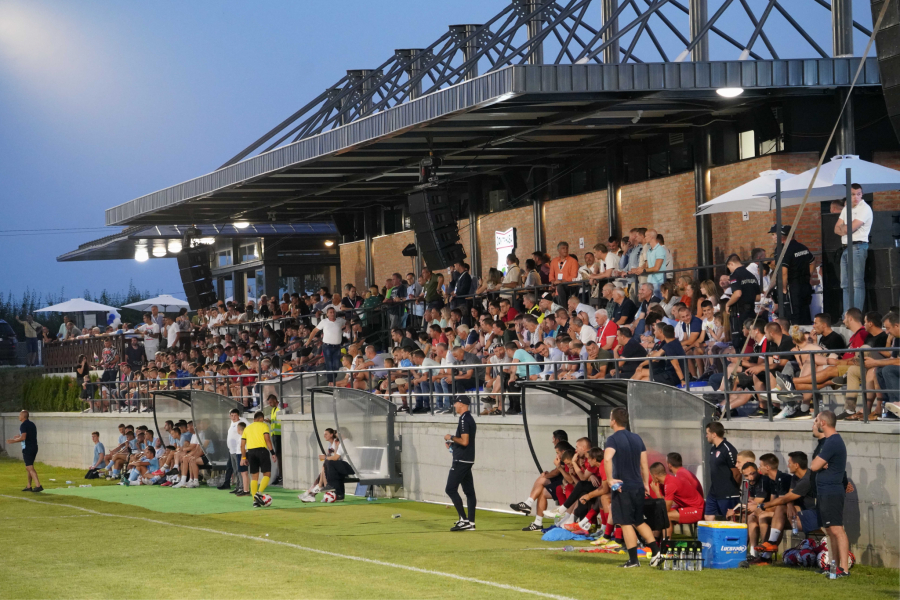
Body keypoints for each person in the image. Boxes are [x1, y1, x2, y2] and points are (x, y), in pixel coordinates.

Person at [604, 407, 661, 568]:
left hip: (623, 487)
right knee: (638, 521)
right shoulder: (637, 438)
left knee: (625, 522)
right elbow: (644, 465)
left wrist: (610, 480)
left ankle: (633, 560)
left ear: (613, 421)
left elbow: (607, 459)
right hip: (637, 486)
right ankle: (656, 552)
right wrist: (645, 484)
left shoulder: (613, 439)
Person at [810, 410, 850, 577]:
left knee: (837, 529)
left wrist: (821, 462)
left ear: (823, 423)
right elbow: (817, 464)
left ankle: (844, 568)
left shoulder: (833, 442)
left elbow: (813, 466)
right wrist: (821, 462)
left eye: (817, 420)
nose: (816, 422)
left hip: (832, 491)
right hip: (825, 490)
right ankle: (833, 565)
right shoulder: (828, 442)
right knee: (830, 529)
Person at [509, 430, 570, 530]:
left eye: (553, 439)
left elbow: (558, 471)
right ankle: (536, 520)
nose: (552, 441)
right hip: (562, 480)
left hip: (567, 483)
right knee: (542, 487)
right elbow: (558, 470)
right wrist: (548, 474)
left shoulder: (566, 452)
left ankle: (529, 505)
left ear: (558, 440)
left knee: (542, 481)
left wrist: (546, 475)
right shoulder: (565, 450)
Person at [835, 183, 872, 312]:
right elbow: (836, 228)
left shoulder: (864, 208)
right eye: (853, 194)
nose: (856, 197)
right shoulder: (846, 209)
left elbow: (850, 228)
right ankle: (847, 315)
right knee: (845, 284)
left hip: (858, 246)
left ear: (862, 194)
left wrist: (844, 228)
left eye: (858, 194)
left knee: (856, 283)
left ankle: (856, 315)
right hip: (845, 247)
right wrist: (845, 228)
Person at [770, 225, 814, 325]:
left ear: (782, 236)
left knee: (794, 317)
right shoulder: (802, 247)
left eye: (774, 235)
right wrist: (808, 275)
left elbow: (783, 271)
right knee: (805, 313)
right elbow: (812, 262)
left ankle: (796, 338)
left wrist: (784, 288)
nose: (773, 237)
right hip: (805, 285)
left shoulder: (782, 249)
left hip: (792, 287)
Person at [445, 395, 477, 531]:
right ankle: (471, 522)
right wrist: (452, 445)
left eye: (455, 403)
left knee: (450, 489)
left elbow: (464, 441)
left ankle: (464, 520)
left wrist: (450, 437)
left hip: (461, 460)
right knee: (469, 492)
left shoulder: (464, 419)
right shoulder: (468, 418)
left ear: (462, 404)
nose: (454, 406)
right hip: (467, 458)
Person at [649, 461, 704, 539]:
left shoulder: (670, 484)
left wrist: (657, 492)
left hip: (698, 509)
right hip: (688, 507)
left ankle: (665, 544)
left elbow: (666, 509)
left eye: (651, 476)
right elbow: (663, 504)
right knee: (659, 513)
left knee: (665, 516)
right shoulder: (664, 482)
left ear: (654, 476)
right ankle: (654, 542)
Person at [240, 411, 277, 508]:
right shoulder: (263, 426)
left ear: (254, 419)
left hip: (250, 452)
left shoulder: (247, 428)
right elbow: (267, 439)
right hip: (262, 451)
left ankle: (254, 501)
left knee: (254, 477)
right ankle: (259, 493)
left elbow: (242, 445)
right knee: (267, 474)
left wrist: (244, 457)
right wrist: (272, 453)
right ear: (261, 419)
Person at [703, 421, 739, 520]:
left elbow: (736, 473)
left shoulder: (728, 449)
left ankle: (730, 536)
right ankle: (714, 536)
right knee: (708, 516)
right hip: (714, 490)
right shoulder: (713, 449)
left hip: (727, 491)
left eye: (708, 433)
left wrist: (734, 489)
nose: (706, 436)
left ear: (714, 434)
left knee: (730, 518)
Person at [724, 254, 760, 352]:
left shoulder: (735, 275)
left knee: (739, 342)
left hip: (740, 313)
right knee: (750, 341)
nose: (730, 271)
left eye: (729, 268)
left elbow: (737, 294)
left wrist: (728, 304)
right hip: (751, 312)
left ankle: (741, 365)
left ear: (731, 264)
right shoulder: (752, 275)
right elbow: (758, 297)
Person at [306, 306, 344, 383]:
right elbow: (314, 331)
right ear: (327, 314)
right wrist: (309, 340)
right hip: (327, 346)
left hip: (337, 346)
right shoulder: (324, 321)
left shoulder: (340, 320)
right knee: (329, 364)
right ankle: (331, 382)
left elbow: (347, 323)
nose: (332, 314)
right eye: (330, 312)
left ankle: (332, 380)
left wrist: (346, 327)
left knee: (336, 365)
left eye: (333, 312)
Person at [7, 410, 42, 492]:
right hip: (34, 447)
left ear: (23, 416)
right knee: (29, 467)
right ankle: (29, 486)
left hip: (28, 448)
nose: (19, 416)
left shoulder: (23, 425)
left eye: (20, 415)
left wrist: (12, 441)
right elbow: (28, 435)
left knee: (29, 467)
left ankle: (38, 485)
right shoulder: (31, 424)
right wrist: (18, 436)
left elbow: (23, 438)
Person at [222, 409, 248, 496]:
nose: (233, 417)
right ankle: (238, 486)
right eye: (232, 415)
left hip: (239, 451)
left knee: (240, 470)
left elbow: (248, 432)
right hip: (232, 450)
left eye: (235, 415)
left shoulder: (242, 422)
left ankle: (242, 487)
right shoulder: (232, 422)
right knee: (235, 470)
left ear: (238, 415)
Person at [265, 394, 283, 484]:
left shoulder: (280, 408)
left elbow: (280, 421)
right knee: (277, 455)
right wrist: (269, 421)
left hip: (279, 435)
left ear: (275, 400)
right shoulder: (274, 409)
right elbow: (275, 421)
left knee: (279, 455)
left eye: (271, 402)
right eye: (269, 402)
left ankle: (281, 476)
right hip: (275, 434)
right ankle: (279, 475)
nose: (270, 404)